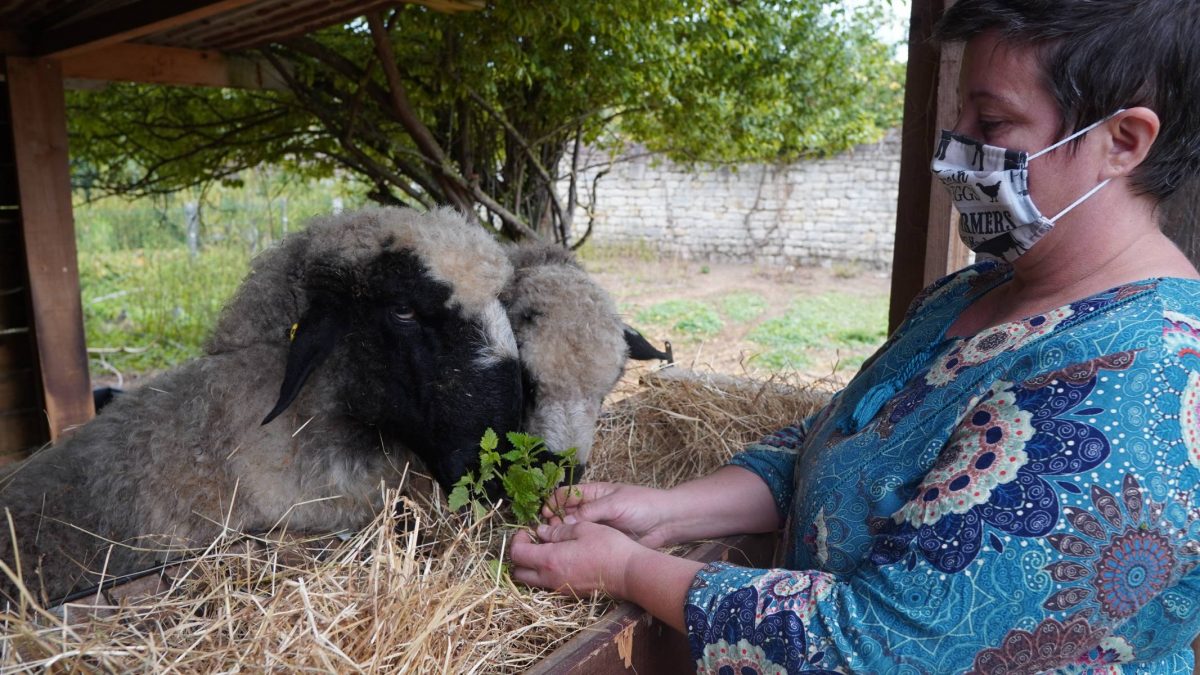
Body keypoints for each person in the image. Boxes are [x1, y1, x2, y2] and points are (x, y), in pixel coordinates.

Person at [511, 0, 1200, 671]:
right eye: (960, 113)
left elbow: (878, 647)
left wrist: (629, 568)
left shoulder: (1137, 383)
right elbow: (836, 443)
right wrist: (671, 507)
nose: (951, 152)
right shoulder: (973, 293)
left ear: (1124, 141)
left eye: (990, 121)